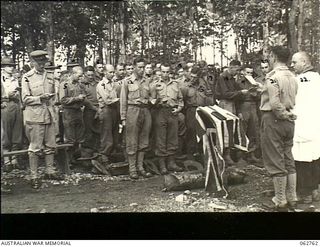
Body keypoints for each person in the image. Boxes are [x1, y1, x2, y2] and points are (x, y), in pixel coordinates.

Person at [260, 46, 298, 211]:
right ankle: (292, 197)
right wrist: (287, 115)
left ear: (274, 57)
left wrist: (282, 114)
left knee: (276, 160)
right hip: (289, 120)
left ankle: (280, 200)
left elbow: (274, 103)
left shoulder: (273, 77)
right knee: (288, 159)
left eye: (269, 56)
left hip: (274, 119)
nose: (268, 59)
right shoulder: (292, 75)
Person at [21, 50, 61, 189]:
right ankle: (34, 175)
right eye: (39, 62)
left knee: (51, 145)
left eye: (43, 62)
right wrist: (40, 98)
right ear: (32, 62)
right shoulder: (27, 77)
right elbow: (25, 99)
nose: (42, 65)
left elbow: (55, 94)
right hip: (35, 116)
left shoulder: (49, 76)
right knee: (35, 147)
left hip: (49, 114)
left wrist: (51, 100)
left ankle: (49, 171)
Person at [291, 51, 320, 204]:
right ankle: (314, 189)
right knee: (315, 157)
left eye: (294, 62)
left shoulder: (298, 80)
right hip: (315, 127)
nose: (292, 65)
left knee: (301, 158)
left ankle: (305, 193)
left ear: (304, 62)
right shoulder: (318, 78)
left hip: (302, 125)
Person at [120, 58, 152, 179]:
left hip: (145, 111)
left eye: (143, 67)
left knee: (144, 140)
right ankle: (132, 169)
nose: (142, 69)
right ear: (134, 67)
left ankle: (140, 167)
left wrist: (148, 101)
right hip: (132, 111)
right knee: (132, 140)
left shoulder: (147, 81)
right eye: (139, 67)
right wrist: (123, 118)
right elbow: (123, 101)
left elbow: (150, 97)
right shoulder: (127, 82)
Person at [151, 64, 184, 174]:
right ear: (160, 72)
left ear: (170, 72)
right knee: (161, 139)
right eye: (163, 72)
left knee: (172, 138)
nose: (165, 74)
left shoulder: (175, 84)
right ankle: (162, 165)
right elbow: (151, 100)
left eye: (167, 72)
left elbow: (180, 99)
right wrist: (157, 101)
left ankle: (171, 163)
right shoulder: (155, 84)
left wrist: (179, 109)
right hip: (160, 112)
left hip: (172, 112)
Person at [215, 60, 248, 165]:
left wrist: (238, 110)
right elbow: (226, 94)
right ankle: (226, 155)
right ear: (231, 67)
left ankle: (234, 154)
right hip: (225, 104)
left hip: (232, 104)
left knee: (233, 129)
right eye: (237, 69)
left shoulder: (232, 79)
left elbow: (235, 96)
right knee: (226, 129)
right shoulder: (223, 77)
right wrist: (240, 93)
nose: (237, 72)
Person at [59, 66, 86, 167]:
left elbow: (83, 95)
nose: (80, 78)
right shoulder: (64, 85)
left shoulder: (80, 85)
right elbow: (63, 100)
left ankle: (75, 158)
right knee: (69, 137)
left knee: (79, 136)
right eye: (79, 76)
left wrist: (82, 99)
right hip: (68, 112)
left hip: (78, 112)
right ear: (72, 74)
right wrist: (76, 98)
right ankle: (67, 161)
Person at [181, 67, 210, 157]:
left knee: (202, 130)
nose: (193, 79)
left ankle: (200, 152)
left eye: (195, 77)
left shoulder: (203, 83)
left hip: (202, 110)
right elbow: (182, 98)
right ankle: (190, 153)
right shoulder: (185, 84)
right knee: (191, 130)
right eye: (192, 76)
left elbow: (208, 94)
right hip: (191, 110)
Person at [1, 57, 23, 171]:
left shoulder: (15, 79)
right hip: (4, 106)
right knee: (5, 134)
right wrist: (7, 95)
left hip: (15, 105)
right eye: (9, 66)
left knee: (16, 133)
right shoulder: (1, 78)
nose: (11, 68)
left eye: (12, 65)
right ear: (3, 67)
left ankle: (14, 159)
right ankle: (6, 160)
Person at [96, 64, 121, 166]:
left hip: (114, 110)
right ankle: (104, 156)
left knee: (115, 132)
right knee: (107, 134)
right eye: (110, 72)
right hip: (106, 110)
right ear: (105, 72)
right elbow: (107, 100)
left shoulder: (114, 83)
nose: (112, 74)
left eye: (113, 72)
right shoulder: (101, 85)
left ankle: (112, 155)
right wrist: (120, 99)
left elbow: (119, 92)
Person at [237, 64, 261, 164]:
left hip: (253, 106)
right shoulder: (239, 82)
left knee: (253, 129)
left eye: (251, 73)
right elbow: (236, 98)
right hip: (243, 106)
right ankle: (241, 155)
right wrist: (238, 111)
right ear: (242, 72)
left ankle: (251, 153)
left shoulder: (254, 82)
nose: (249, 74)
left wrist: (257, 92)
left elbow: (258, 97)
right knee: (242, 130)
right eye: (247, 72)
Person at [81, 66, 100, 160]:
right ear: (85, 74)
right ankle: (86, 155)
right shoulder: (83, 84)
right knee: (88, 131)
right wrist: (94, 108)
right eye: (88, 75)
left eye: (92, 75)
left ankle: (97, 153)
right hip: (89, 110)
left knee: (99, 131)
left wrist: (99, 109)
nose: (90, 77)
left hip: (100, 109)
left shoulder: (99, 83)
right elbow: (84, 99)